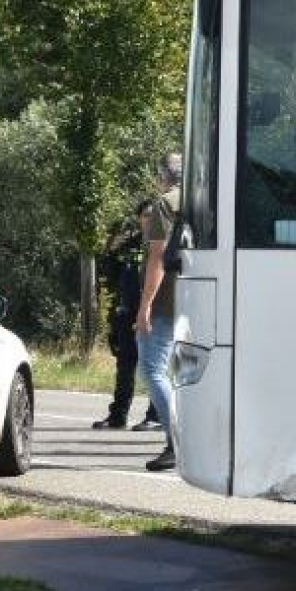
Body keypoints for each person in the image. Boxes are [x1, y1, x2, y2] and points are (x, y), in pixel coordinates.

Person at [135, 152, 183, 472]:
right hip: (192, 297)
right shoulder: (198, 199)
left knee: (153, 369)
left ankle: (176, 443)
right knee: (183, 373)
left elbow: (157, 257)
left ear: (164, 174)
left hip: (165, 301)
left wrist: (145, 306)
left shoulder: (165, 204)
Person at [93, 212, 161, 431]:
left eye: (152, 216)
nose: (149, 220)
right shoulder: (129, 244)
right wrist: (112, 248)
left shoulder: (162, 243)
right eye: (145, 216)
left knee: (153, 365)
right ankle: (118, 415)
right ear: (139, 219)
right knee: (125, 364)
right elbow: (110, 274)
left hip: (153, 311)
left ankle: (155, 415)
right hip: (126, 310)